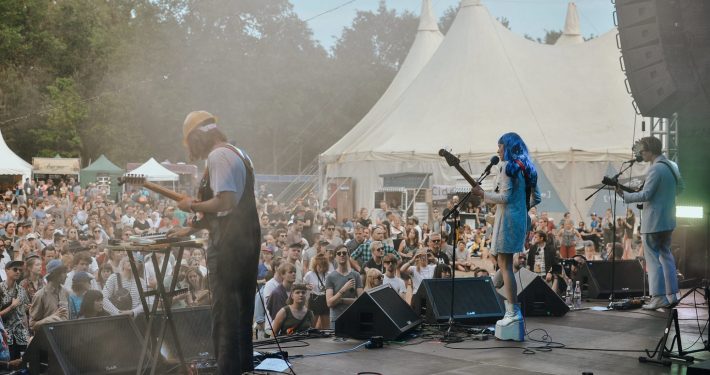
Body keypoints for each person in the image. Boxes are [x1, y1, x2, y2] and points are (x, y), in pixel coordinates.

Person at [171, 111, 260, 374]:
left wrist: (192, 205)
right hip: (246, 238)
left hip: (229, 245)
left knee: (224, 312)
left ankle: (227, 370)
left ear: (198, 137)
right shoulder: (239, 153)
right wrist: (191, 228)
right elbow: (228, 209)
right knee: (241, 308)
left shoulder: (218, 156)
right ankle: (241, 367)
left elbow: (226, 201)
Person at [472, 132, 540, 341]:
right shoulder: (527, 167)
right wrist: (521, 210)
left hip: (507, 222)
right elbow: (535, 197)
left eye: (500, 146)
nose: (498, 150)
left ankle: (513, 312)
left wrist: (483, 194)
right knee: (505, 265)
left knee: (505, 265)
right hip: (519, 220)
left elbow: (504, 197)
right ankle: (494, 292)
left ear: (508, 147)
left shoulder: (507, 167)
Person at [618, 136, 683, 310]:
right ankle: (673, 294)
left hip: (653, 222)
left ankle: (659, 297)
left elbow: (646, 195)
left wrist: (624, 195)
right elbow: (680, 189)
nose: (640, 154)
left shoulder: (655, 169)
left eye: (642, 151)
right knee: (667, 257)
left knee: (653, 261)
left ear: (649, 150)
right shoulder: (672, 166)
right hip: (668, 220)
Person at [325, 245, 363, 329]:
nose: (342, 255)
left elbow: (361, 301)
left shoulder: (356, 275)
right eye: (339, 253)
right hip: (336, 318)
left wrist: (341, 300)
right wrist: (344, 289)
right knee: (336, 342)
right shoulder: (330, 277)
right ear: (335, 257)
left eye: (344, 253)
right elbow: (329, 303)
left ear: (348, 256)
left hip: (353, 317)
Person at [0, 261, 30, 360]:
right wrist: (12, 306)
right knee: (8, 366)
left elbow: (24, 314)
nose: (18, 272)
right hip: (5, 336)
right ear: (7, 270)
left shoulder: (22, 290)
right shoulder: (0, 289)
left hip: (21, 335)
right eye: (15, 269)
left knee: (21, 365)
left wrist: (27, 333)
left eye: (20, 270)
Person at [29, 259, 69, 332]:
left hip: (64, 338)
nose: (67, 276)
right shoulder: (40, 295)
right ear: (55, 274)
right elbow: (32, 326)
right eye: (64, 273)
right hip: (48, 340)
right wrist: (51, 319)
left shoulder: (65, 292)